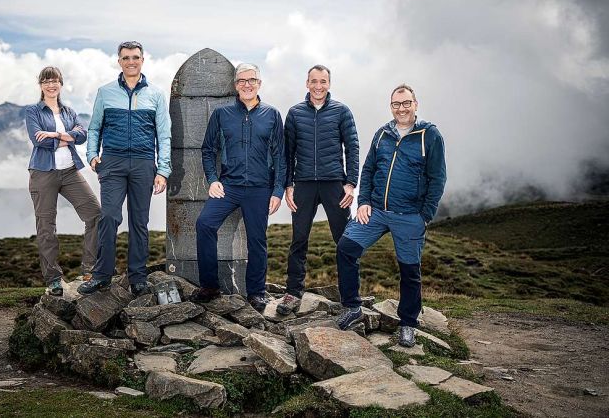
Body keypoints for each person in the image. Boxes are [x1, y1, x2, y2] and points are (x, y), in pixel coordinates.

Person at [334, 84, 446, 347]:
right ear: (391, 106)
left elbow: (437, 177)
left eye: (406, 103)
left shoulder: (429, 135)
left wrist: (424, 216)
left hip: (409, 215)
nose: (401, 109)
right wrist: (363, 202)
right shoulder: (382, 134)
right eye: (396, 104)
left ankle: (408, 323)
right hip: (376, 211)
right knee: (346, 248)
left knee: (409, 270)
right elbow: (369, 168)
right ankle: (352, 307)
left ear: (416, 104)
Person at [77, 41, 171, 296]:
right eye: (126, 57)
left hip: (143, 164)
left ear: (143, 60)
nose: (131, 61)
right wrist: (92, 156)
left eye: (136, 57)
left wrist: (163, 170)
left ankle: (138, 278)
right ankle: (102, 276)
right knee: (108, 217)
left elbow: (163, 135)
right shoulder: (106, 92)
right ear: (119, 61)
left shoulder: (155, 94)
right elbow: (95, 127)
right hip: (113, 163)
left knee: (139, 222)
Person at [190, 63, 285, 312]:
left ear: (259, 84)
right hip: (229, 186)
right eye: (242, 81)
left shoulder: (272, 115)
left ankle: (257, 292)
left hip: (260, 188)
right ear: (235, 85)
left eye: (251, 80)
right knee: (205, 224)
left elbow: (280, 156)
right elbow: (208, 149)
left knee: (257, 240)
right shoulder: (222, 114)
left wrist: (278, 191)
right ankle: (209, 286)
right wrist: (213, 179)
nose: (247, 84)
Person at [277, 65, 360, 315]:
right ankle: (293, 293)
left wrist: (351, 183)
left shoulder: (341, 111)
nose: (318, 86)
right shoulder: (294, 113)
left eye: (323, 81)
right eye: (314, 81)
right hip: (303, 184)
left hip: (335, 183)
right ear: (307, 83)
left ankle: (351, 299)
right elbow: (286, 153)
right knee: (299, 240)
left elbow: (352, 147)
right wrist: (287, 185)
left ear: (329, 83)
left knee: (345, 240)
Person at [25, 66, 101, 296]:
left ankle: (90, 269)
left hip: (70, 172)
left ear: (61, 84)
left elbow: (82, 135)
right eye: (46, 81)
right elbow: (38, 140)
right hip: (43, 173)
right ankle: (54, 279)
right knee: (46, 227)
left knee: (96, 214)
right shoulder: (33, 111)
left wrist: (56, 135)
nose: (51, 85)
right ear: (41, 85)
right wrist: (66, 138)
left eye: (55, 81)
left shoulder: (68, 111)